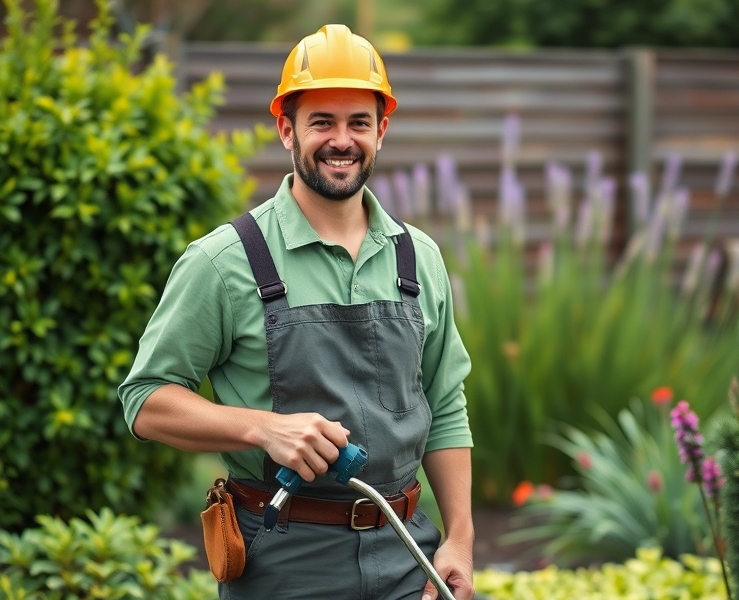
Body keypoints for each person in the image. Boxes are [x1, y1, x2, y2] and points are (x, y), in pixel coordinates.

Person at [119, 23, 474, 600]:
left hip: (408, 553)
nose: (342, 140)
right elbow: (146, 399)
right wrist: (261, 427)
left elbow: (446, 404)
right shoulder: (225, 261)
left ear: (382, 131)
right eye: (321, 123)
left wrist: (459, 538)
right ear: (287, 129)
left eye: (359, 122)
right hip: (282, 558)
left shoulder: (419, 258)